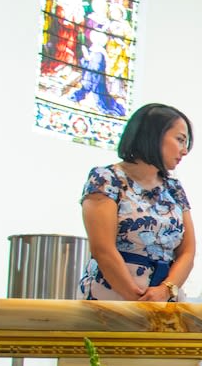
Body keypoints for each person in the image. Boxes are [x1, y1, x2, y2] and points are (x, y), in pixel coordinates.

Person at [79, 103, 195, 302]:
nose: (184, 151)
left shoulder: (174, 188)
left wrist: (166, 291)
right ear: (154, 135)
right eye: (180, 140)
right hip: (115, 294)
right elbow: (102, 249)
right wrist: (137, 299)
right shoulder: (107, 179)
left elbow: (187, 251)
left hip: (164, 298)